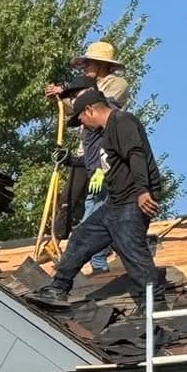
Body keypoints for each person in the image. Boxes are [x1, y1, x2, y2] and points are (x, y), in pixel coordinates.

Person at [30, 89, 167, 312]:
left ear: (90, 110)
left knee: (132, 251)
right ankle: (58, 289)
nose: (82, 124)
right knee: (82, 237)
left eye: (81, 119)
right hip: (115, 203)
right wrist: (70, 161)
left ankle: (154, 304)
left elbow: (136, 154)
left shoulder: (122, 121)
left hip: (131, 201)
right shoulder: (106, 131)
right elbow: (98, 163)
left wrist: (143, 191)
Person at [44, 41, 126, 238]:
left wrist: (65, 93)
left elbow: (97, 103)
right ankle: (60, 242)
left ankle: (102, 242)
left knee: (99, 200)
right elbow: (78, 105)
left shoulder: (117, 84)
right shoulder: (88, 87)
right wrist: (60, 97)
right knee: (67, 199)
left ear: (101, 64)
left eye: (89, 63)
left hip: (105, 151)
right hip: (87, 150)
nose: (85, 67)